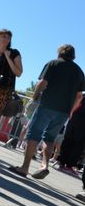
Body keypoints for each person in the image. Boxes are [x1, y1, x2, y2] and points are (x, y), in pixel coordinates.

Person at [11, 44, 85, 178]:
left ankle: (25, 167)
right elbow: (79, 96)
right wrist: (71, 111)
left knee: (33, 135)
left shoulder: (53, 64)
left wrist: (34, 96)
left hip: (46, 106)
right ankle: (44, 165)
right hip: (63, 111)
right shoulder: (79, 72)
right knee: (50, 138)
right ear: (73, 55)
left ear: (60, 53)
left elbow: (42, 83)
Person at [57, 98, 85, 176]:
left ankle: (62, 163)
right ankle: (69, 165)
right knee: (78, 144)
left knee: (68, 140)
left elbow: (76, 104)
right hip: (81, 121)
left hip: (74, 118)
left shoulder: (82, 96)